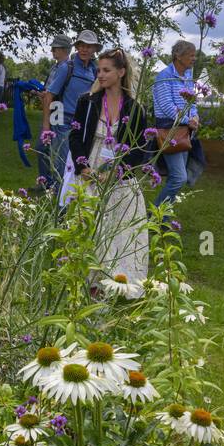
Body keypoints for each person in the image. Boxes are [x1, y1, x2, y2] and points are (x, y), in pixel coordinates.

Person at [64, 48, 150, 286]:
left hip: (119, 178)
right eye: (98, 70)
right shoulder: (88, 102)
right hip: (90, 171)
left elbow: (140, 148)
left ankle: (120, 283)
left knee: (119, 229)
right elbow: (75, 136)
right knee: (91, 226)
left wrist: (118, 173)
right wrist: (84, 168)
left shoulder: (134, 109)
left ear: (121, 72)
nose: (100, 75)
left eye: (106, 70)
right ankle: (88, 282)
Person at [40, 29, 100, 188]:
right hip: (63, 120)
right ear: (77, 47)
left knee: (77, 163)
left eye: (89, 46)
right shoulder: (67, 67)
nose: (85, 49)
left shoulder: (94, 70)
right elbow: (48, 96)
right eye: (81, 45)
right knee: (61, 162)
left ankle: (65, 198)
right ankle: (58, 202)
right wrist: (46, 126)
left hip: (83, 123)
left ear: (95, 49)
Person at [152, 39, 200, 208]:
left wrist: (195, 117)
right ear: (178, 56)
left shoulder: (187, 76)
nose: (194, 59)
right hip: (169, 131)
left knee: (177, 177)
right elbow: (166, 106)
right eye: (191, 55)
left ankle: (162, 216)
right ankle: (156, 213)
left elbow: (192, 101)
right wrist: (188, 120)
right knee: (179, 177)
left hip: (184, 131)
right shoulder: (164, 76)